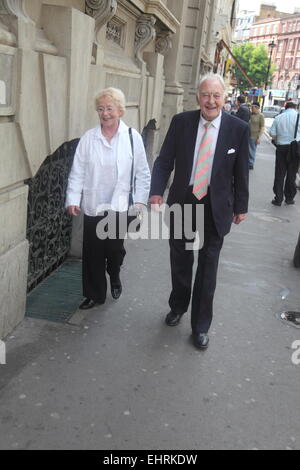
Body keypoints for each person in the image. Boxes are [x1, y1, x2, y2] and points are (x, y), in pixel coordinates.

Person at [149, 73, 249, 350]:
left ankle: (201, 325)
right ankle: (178, 305)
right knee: (180, 259)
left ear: (224, 98)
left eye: (216, 96)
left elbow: (241, 172)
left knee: (208, 267)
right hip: (184, 200)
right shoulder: (181, 122)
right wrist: (156, 190)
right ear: (198, 97)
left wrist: (242, 206)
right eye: (206, 95)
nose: (211, 101)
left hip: (216, 207)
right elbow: (165, 160)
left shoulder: (238, 129)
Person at [66, 87, 150, 309]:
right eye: (101, 109)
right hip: (95, 204)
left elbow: (142, 172)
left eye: (109, 108)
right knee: (92, 252)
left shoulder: (133, 138)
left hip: (120, 206)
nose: (105, 113)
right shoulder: (88, 138)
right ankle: (94, 294)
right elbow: (78, 170)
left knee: (113, 250)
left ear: (120, 110)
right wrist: (73, 198)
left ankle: (114, 274)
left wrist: (140, 201)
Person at [269, 101, 300, 206]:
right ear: (295, 108)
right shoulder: (298, 117)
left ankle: (278, 198)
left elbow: (272, 134)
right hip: (295, 148)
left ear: (285, 107)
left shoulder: (279, 117)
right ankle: (289, 198)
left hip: (281, 148)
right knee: (292, 174)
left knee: (279, 174)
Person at [248, 102, 265, 170]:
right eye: (251, 108)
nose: (252, 109)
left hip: (254, 136)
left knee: (252, 150)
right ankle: (247, 162)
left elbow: (262, 127)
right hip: (247, 135)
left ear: (257, 108)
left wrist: (259, 137)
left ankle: (251, 163)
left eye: (253, 108)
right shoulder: (250, 114)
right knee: (247, 150)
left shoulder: (261, 116)